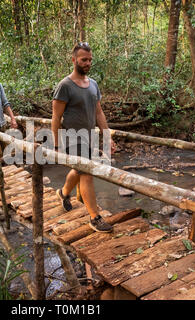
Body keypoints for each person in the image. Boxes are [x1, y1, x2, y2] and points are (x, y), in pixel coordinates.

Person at [51, 42, 116, 233]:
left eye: (90, 60)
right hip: (72, 138)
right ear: (74, 60)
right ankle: (94, 218)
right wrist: (55, 144)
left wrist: (107, 137)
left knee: (80, 171)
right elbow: (56, 117)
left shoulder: (93, 84)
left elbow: (99, 114)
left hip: (89, 137)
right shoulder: (64, 86)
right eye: (83, 60)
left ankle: (63, 193)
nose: (87, 63)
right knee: (87, 173)